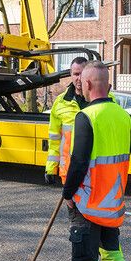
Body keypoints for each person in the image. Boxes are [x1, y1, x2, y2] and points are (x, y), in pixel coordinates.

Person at [55, 60, 131, 261]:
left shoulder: (86, 117)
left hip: (87, 204)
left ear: (86, 85)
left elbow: (78, 161)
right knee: (112, 253)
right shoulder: (123, 116)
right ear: (108, 85)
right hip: (113, 201)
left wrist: (68, 193)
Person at [45, 57, 88, 186]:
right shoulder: (60, 102)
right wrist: (51, 168)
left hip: (93, 172)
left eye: (82, 74)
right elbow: (54, 139)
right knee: (72, 206)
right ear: (70, 75)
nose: (79, 78)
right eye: (76, 74)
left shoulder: (104, 100)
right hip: (69, 172)